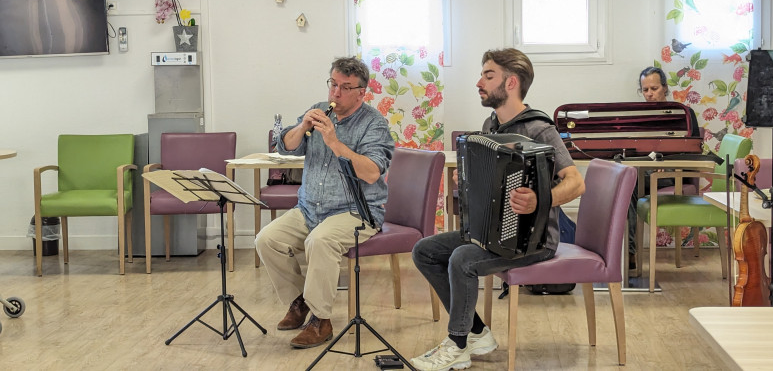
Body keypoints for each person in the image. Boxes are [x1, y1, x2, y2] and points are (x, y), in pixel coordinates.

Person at [410, 48, 585, 371]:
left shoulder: (539, 128)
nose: (480, 82)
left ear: (511, 82)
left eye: (488, 76)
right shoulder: (491, 124)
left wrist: (539, 200)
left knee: (463, 259)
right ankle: (476, 331)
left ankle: (458, 344)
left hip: (533, 242)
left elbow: (575, 182)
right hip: (491, 234)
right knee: (425, 250)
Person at [254, 57, 394, 349]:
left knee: (319, 241)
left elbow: (370, 173)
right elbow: (287, 147)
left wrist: (334, 142)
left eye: (345, 88)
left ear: (361, 92)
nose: (335, 94)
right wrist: (303, 124)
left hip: (356, 211)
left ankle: (321, 321)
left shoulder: (374, 124)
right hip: (309, 209)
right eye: (333, 84)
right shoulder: (319, 110)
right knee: (266, 239)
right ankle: (299, 301)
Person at [628, 66, 701, 263]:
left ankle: (630, 252)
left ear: (665, 88)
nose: (650, 94)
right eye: (645, 90)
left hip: (675, 172)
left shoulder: (684, 113)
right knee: (620, 178)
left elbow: (693, 148)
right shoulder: (639, 117)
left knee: (628, 183)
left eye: (654, 88)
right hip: (647, 169)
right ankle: (621, 251)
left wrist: (667, 163)